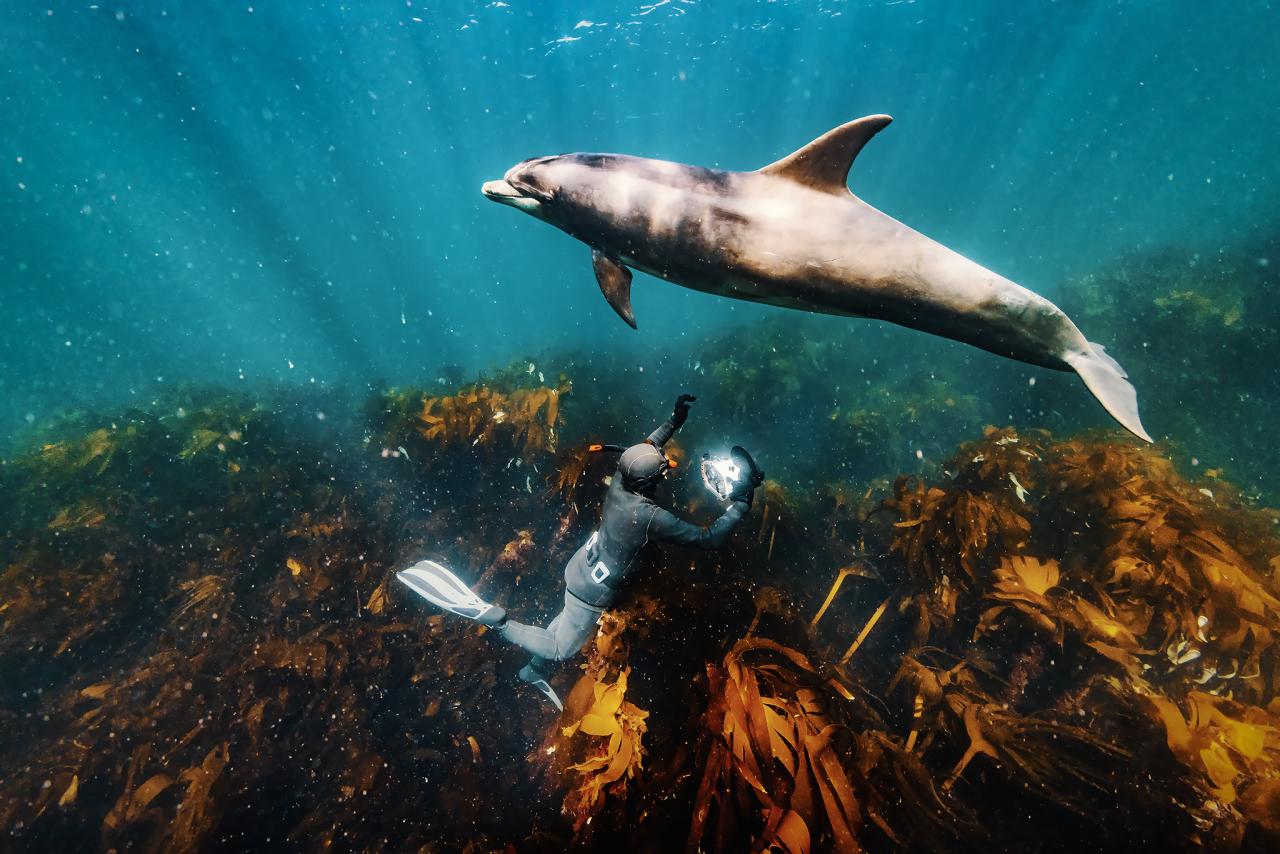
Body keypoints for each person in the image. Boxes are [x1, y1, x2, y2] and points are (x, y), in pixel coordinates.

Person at [397, 394, 764, 708]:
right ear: (650, 481)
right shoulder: (649, 517)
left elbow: (644, 449)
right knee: (562, 646)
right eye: (661, 472)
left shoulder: (622, 479)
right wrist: (741, 505)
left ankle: (533, 671)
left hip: (581, 567)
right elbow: (709, 539)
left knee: (564, 620)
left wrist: (674, 420)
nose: (665, 471)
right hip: (592, 591)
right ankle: (497, 620)